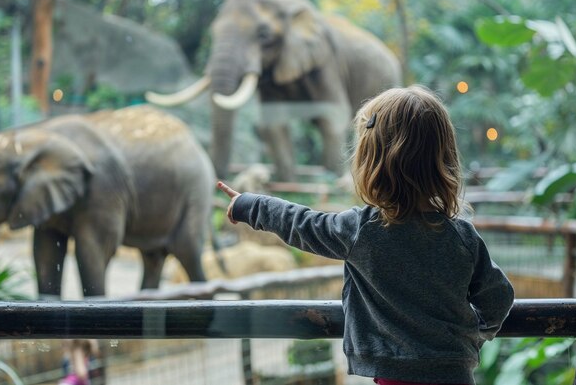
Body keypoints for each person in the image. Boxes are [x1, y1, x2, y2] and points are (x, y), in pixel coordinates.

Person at [217, 85, 514, 385]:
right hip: (456, 373)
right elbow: (499, 297)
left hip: (395, 376)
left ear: (373, 163)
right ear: (443, 157)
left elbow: (302, 224)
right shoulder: (461, 235)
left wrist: (250, 205)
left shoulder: (363, 230)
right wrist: (472, 335)